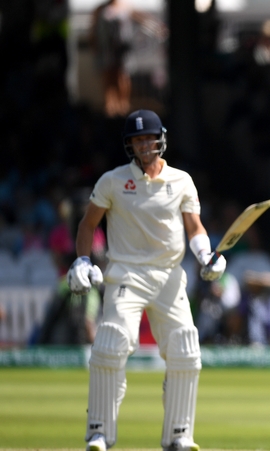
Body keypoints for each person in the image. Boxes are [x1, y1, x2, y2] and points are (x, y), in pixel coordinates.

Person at [67, 109, 227, 451]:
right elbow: (87, 225)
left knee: (185, 349)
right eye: (137, 140)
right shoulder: (112, 180)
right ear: (130, 145)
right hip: (125, 272)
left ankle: (179, 435)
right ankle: (99, 432)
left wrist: (205, 257)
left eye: (148, 138)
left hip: (169, 275)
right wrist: (81, 259)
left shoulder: (181, 180)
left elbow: (194, 227)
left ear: (161, 139)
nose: (144, 145)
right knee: (110, 343)